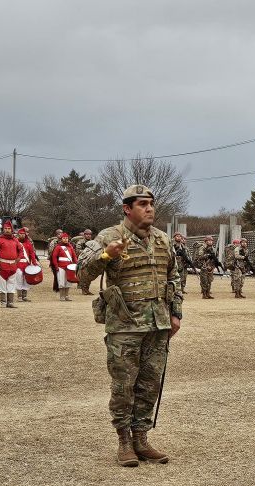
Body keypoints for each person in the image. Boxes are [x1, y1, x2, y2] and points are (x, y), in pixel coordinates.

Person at [77, 184, 183, 467]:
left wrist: (176, 314)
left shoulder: (162, 239)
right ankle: (124, 441)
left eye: (151, 203)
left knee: (149, 385)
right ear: (127, 208)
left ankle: (141, 438)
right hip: (125, 326)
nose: (149, 209)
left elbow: (174, 277)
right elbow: (82, 274)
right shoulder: (109, 237)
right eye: (142, 204)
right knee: (124, 386)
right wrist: (106, 256)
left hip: (157, 326)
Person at [49, 231, 77, 301]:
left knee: (68, 281)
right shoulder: (58, 247)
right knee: (61, 281)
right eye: (64, 238)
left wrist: (76, 265)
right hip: (60, 266)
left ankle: (66, 296)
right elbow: (54, 257)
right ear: (61, 239)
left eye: (66, 238)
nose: (65, 239)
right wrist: (56, 266)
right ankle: (62, 296)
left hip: (69, 267)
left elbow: (74, 257)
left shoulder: (70, 247)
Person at [16, 228, 40, 302]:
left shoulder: (28, 243)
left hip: (26, 263)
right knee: (19, 279)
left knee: (26, 280)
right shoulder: (15, 242)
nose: (22, 235)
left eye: (23, 234)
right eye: (20, 234)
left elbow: (32, 254)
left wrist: (34, 262)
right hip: (18, 263)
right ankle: (19, 296)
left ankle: (24, 296)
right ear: (18, 234)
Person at [72, 230, 95, 295]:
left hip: (90, 261)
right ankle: (83, 289)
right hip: (82, 260)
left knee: (89, 276)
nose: (88, 235)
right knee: (82, 275)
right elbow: (78, 251)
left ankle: (87, 289)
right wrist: (87, 252)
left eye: (90, 234)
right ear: (84, 235)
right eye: (87, 234)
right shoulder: (80, 242)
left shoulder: (93, 242)